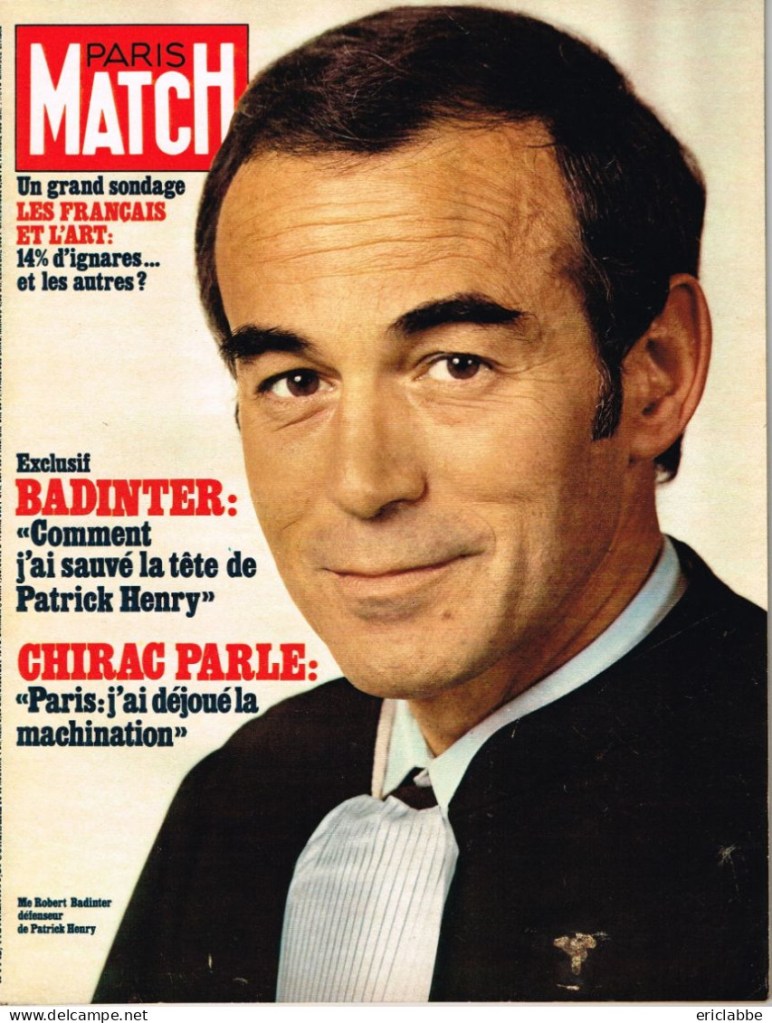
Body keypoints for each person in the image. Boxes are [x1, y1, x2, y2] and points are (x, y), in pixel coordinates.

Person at [94, 5, 766, 1003]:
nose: (364, 484)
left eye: (456, 364)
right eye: (295, 380)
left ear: (654, 375)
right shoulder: (238, 796)